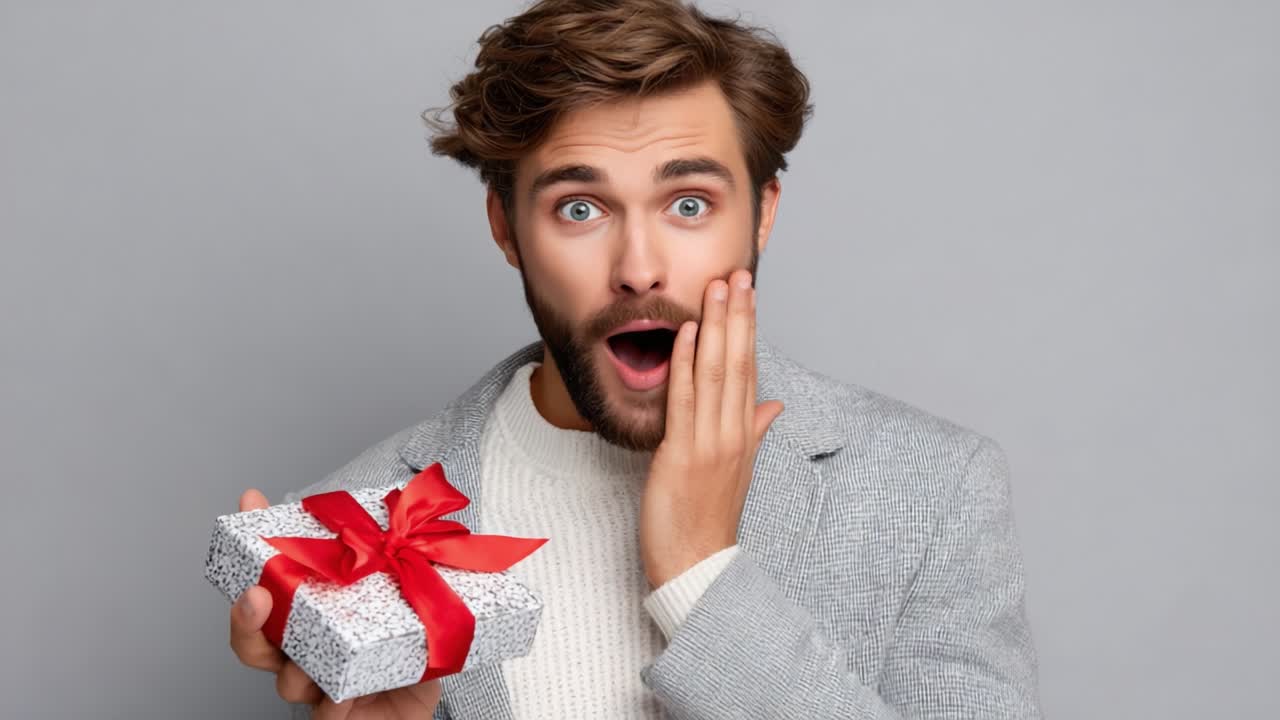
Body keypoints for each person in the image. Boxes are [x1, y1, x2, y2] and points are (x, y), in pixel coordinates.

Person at [227, 0, 1044, 717]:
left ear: (762, 216)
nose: (640, 267)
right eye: (579, 208)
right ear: (506, 229)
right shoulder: (353, 521)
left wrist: (699, 574)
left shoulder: (931, 488)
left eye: (689, 203)